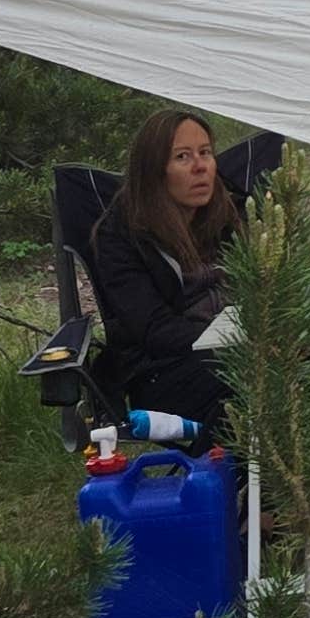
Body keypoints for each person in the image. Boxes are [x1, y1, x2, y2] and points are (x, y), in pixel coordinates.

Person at [92, 107, 263, 435]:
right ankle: (258, 481)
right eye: (182, 157)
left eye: (206, 153)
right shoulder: (122, 236)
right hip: (168, 370)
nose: (201, 167)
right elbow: (156, 331)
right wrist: (238, 342)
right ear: (154, 171)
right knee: (260, 385)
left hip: (247, 345)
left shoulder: (231, 212)